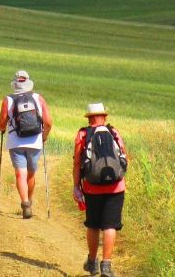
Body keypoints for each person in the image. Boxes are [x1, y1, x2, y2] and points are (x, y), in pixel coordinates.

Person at [72, 103, 128, 277]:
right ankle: (106, 265)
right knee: (110, 225)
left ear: (89, 118)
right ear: (104, 117)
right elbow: (124, 157)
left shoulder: (83, 134)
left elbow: (77, 162)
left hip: (92, 188)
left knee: (94, 225)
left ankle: (92, 262)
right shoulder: (114, 133)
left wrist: (76, 186)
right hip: (116, 187)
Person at [0, 70, 53, 219]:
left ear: (14, 84)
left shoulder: (8, 99)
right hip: (35, 142)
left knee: (20, 174)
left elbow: (2, 123)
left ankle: (25, 204)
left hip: (16, 142)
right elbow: (48, 122)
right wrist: (44, 137)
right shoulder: (38, 98)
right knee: (31, 174)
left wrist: (1, 128)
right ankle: (29, 200)